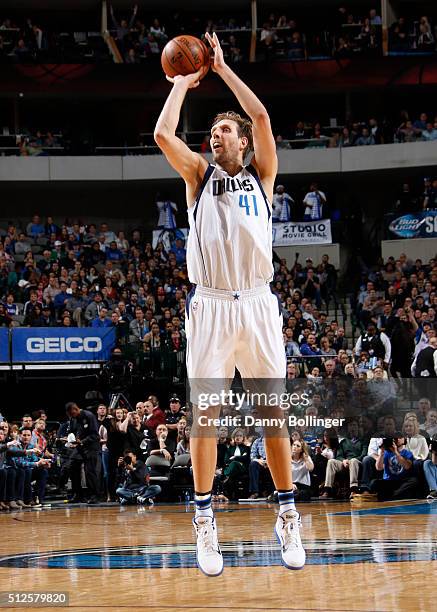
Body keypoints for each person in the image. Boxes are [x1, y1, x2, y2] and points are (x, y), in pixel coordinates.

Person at [154, 30, 305, 575]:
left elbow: (261, 116)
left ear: (241, 141)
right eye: (213, 131)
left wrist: (222, 71)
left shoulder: (263, 177)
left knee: (273, 415)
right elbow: (162, 133)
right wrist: (181, 84)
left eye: (224, 130)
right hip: (212, 305)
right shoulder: (198, 176)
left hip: (259, 304)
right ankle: (203, 520)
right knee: (206, 419)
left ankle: (287, 515)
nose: (216, 136)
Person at [66, 401, 101, 504]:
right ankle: (78, 494)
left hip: (91, 447)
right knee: (72, 466)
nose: (71, 416)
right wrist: (71, 440)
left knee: (90, 471)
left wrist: (82, 441)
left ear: (76, 409)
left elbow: (95, 435)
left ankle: (95, 495)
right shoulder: (73, 418)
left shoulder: (89, 416)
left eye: (72, 414)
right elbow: (73, 432)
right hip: (79, 447)